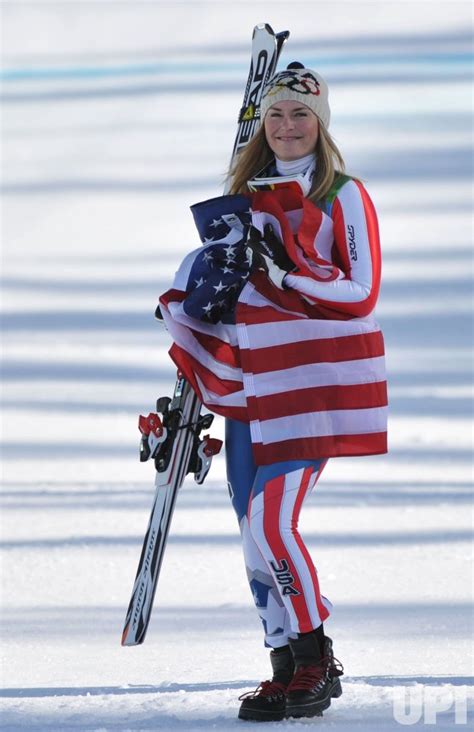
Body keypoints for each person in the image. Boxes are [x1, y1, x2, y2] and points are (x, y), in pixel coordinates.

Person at [159, 64, 387, 722]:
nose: (288, 127)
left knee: (271, 521)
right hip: (251, 381)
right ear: (262, 123)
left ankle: (317, 657)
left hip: (313, 380)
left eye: (302, 115)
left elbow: (361, 292)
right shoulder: (247, 194)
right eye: (277, 115)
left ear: (322, 122)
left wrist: (288, 275)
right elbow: (227, 284)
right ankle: (284, 666)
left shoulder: (341, 193)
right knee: (251, 534)